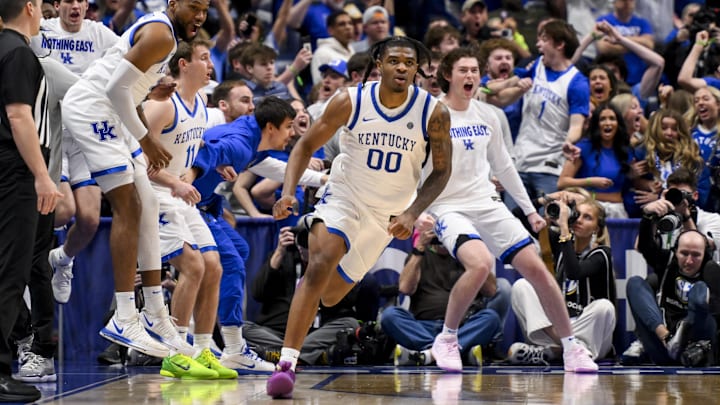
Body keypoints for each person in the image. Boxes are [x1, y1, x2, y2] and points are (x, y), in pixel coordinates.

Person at [267, 36, 453, 399]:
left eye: (409, 63)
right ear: (379, 63)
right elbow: (304, 146)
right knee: (321, 262)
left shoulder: (433, 112)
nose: (402, 67)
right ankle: (287, 363)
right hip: (346, 195)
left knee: (333, 295)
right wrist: (289, 191)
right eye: (394, 60)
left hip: (387, 215)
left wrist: (413, 213)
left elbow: (442, 172)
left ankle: (316, 266)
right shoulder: (350, 100)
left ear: (417, 69)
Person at [423, 47, 598, 374]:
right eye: (463, 70)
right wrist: (414, 210)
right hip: (447, 206)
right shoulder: (432, 114)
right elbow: (412, 167)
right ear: (448, 75)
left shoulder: (489, 115)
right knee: (480, 264)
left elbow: (504, 166)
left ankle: (572, 348)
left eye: (475, 70)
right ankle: (447, 338)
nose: (471, 76)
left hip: (487, 202)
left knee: (536, 268)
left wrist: (531, 210)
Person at [60, 0, 210, 359]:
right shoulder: (160, 34)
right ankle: (124, 316)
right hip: (93, 110)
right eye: (194, 7)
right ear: (174, 4)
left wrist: (141, 123)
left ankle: (156, 313)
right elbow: (113, 89)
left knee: (148, 206)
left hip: (116, 114)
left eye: (205, 9)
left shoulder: (166, 34)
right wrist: (146, 137)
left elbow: (128, 89)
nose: (201, 16)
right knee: (129, 206)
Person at [187, 96, 312, 373]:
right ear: (271, 127)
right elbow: (206, 150)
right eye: (288, 126)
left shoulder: (250, 136)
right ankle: (232, 347)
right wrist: (190, 177)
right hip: (187, 204)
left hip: (206, 206)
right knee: (230, 262)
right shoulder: (242, 144)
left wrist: (324, 179)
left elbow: (270, 167)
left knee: (239, 250)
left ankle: (202, 337)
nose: (292, 133)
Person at [141, 39, 237, 379]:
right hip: (153, 193)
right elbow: (135, 156)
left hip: (179, 194)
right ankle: (175, 352)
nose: (211, 63)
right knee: (193, 265)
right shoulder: (164, 105)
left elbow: (190, 148)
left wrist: (213, 166)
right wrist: (175, 182)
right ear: (183, 64)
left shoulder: (202, 104)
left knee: (213, 266)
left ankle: (204, 348)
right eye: (204, 57)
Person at [29, 0, 119, 305]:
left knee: (91, 220)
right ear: (58, 5)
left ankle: (63, 259)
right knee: (63, 210)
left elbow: (131, 60)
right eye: (68, 0)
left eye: (81, 0)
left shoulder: (101, 34)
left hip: (85, 137)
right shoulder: (44, 30)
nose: (75, 5)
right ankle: (30, 256)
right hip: (54, 130)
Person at [0, 0, 61, 401]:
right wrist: (43, 176)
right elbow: (20, 115)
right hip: (14, 173)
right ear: (30, 7)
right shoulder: (19, 51)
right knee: (9, 273)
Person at [380, 218, 511, 367]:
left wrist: (469, 248)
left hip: (461, 327)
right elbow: (404, 288)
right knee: (390, 316)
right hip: (423, 326)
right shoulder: (418, 256)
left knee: (490, 318)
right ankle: (450, 351)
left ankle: (428, 355)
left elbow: (490, 290)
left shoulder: (465, 256)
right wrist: (420, 247)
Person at [509, 196, 617, 364]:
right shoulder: (559, 243)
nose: (579, 220)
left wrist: (564, 228)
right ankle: (566, 348)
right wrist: (545, 200)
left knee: (604, 307)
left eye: (587, 217)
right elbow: (517, 216)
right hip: (558, 327)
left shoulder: (602, 254)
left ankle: (557, 350)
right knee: (522, 286)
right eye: (577, 214)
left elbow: (574, 272)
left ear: (597, 228)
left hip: (590, 334)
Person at [244, 224, 368, 365]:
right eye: (302, 239)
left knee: (349, 324)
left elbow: (348, 299)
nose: (305, 246)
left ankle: (280, 355)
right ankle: (308, 355)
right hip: (278, 332)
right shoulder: (284, 257)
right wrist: (279, 252)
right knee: (240, 328)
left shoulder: (335, 261)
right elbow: (258, 293)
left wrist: (327, 262)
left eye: (310, 239)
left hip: (317, 333)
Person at [626, 199, 720, 365]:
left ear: (705, 254)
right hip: (664, 344)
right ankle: (669, 337)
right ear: (675, 251)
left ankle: (684, 333)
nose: (689, 261)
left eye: (696, 255)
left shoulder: (711, 269)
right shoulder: (668, 262)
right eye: (684, 253)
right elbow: (647, 246)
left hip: (698, 348)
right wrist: (648, 216)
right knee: (635, 283)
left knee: (700, 289)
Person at [510, 20, 590, 207]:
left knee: (547, 229)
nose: (538, 44)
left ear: (560, 45)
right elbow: (507, 88)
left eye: (544, 39)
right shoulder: (536, 65)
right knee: (512, 226)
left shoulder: (577, 82)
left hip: (549, 166)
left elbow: (576, 125)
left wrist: (569, 142)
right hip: (520, 162)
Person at [557, 103, 631, 218]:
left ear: (618, 123)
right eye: (602, 119)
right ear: (596, 124)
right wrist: (591, 181)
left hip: (617, 211)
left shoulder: (625, 150)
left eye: (612, 119)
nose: (607, 123)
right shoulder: (583, 147)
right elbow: (562, 182)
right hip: (590, 208)